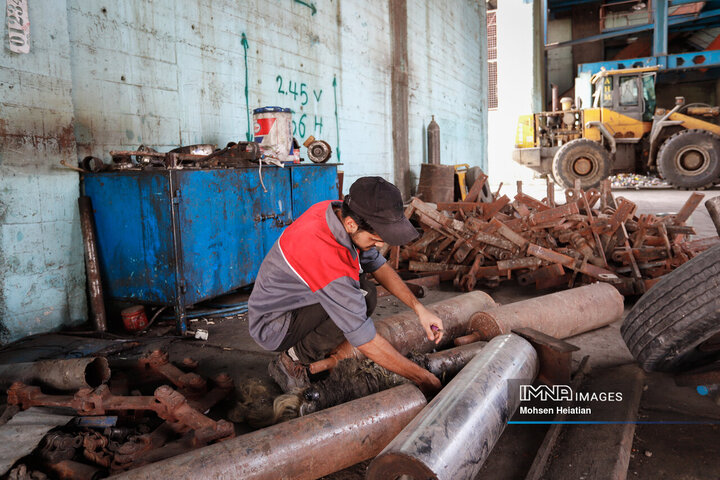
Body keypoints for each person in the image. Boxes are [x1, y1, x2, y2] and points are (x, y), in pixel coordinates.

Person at [248, 176, 444, 394]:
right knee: (358, 298)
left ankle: (320, 353)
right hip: (274, 324)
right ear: (351, 225)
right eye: (375, 239)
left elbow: (377, 265)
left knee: (366, 292)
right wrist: (422, 377)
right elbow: (364, 339)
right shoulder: (327, 256)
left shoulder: (338, 212)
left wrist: (420, 309)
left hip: (298, 300)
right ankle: (291, 362)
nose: (379, 245)